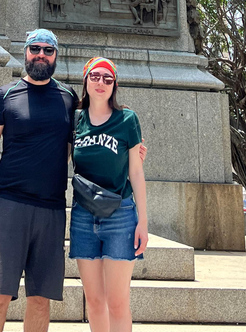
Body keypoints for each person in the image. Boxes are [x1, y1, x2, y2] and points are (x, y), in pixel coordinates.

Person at [0, 28, 78, 332]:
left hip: (52, 209)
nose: (41, 54)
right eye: (35, 49)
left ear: (56, 56)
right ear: (25, 52)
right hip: (11, 205)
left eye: (48, 50)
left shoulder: (69, 97)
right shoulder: (4, 95)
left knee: (40, 299)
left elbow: (78, 145)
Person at [69, 56, 148, 332]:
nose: (100, 82)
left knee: (117, 302)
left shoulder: (127, 120)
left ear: (114, 85)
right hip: (83, 215)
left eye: (107, 78)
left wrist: (143, 221)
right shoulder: (75, 120)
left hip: (120, 215)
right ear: (86, 81)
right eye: (95, 76)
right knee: (94, 301)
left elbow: (136, 172)